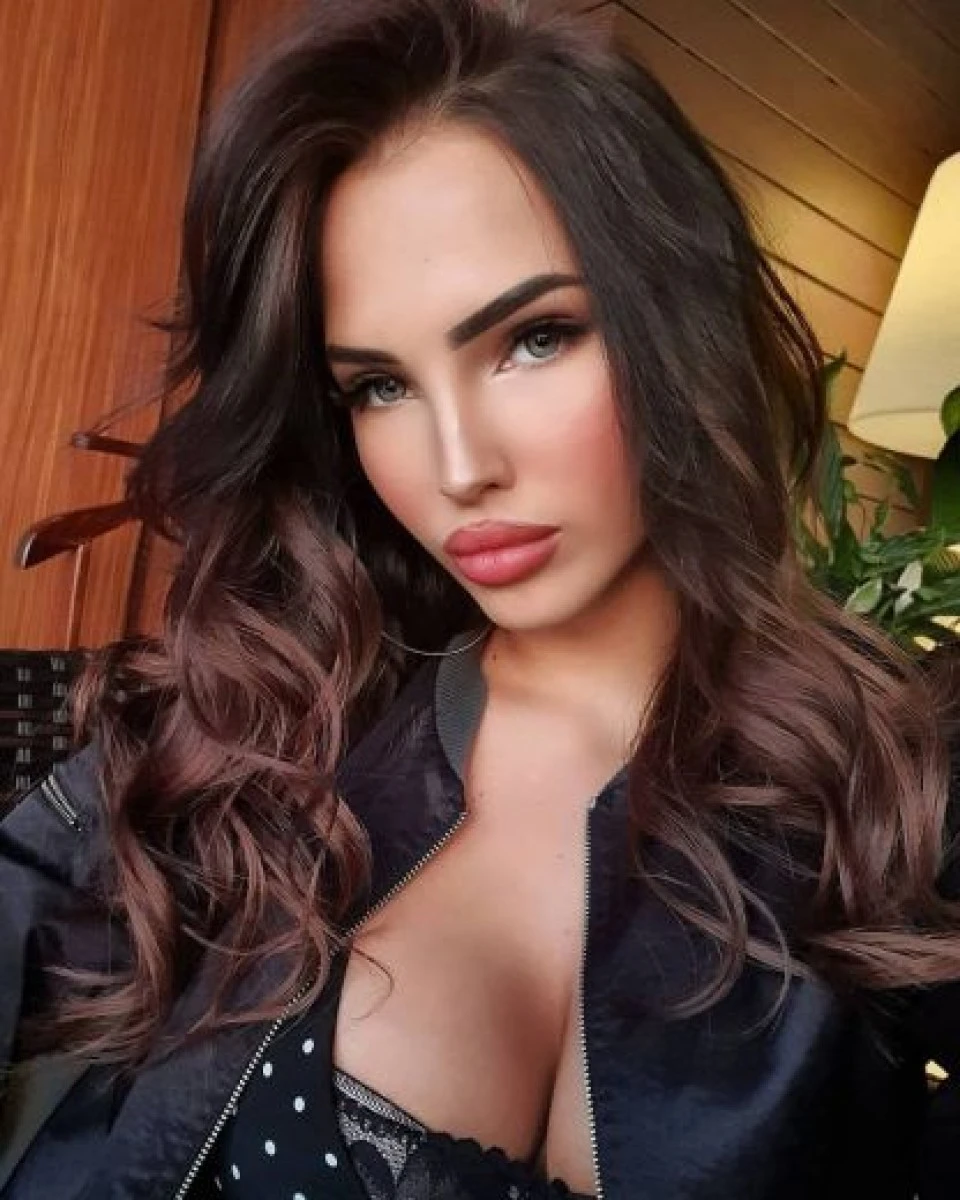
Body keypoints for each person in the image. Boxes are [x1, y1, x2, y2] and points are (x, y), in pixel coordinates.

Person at [2, 0, 960, 1196]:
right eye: (380, 386)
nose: (458, 468)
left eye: (534, 339)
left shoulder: (895, 793)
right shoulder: (260, 731)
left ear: (677, 320)